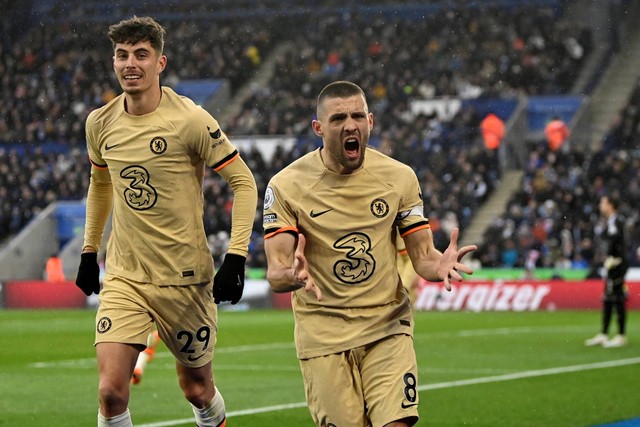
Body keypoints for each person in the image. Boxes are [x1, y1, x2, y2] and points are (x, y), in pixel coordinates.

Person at [74, 16, 258, 427]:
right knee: (111, 391)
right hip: (126, 276)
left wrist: (237, 257)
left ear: (161, 63)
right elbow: (100, 185)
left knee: (196, 389)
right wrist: (90, 251)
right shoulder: (100, 123)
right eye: (122, 55)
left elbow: (244, 183)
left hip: (185, 278)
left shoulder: (190, 120)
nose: (130, 64)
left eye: (141, 54)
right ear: (114, 61)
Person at [262, 81, 477, 427]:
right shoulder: (286, 186)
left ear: (370, 122)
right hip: (323, 333)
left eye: (358, 116)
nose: (350, 125)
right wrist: (290, 275)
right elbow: (276, 270)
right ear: (318, 128)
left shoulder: (399, 177)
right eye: (338, 118)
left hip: (387, 325)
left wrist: (441, 265)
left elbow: (422, 255)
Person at [585, 195, 629, 348]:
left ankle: (621, 335)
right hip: (611, 263)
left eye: (603, 203)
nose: (600, 205)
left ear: (611, 205)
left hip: (617, 263)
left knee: (617, 298)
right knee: (608, 299)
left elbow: (620, 241)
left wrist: (616, 258)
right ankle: (604, 333)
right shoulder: (610, 222)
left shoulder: (617, 221)